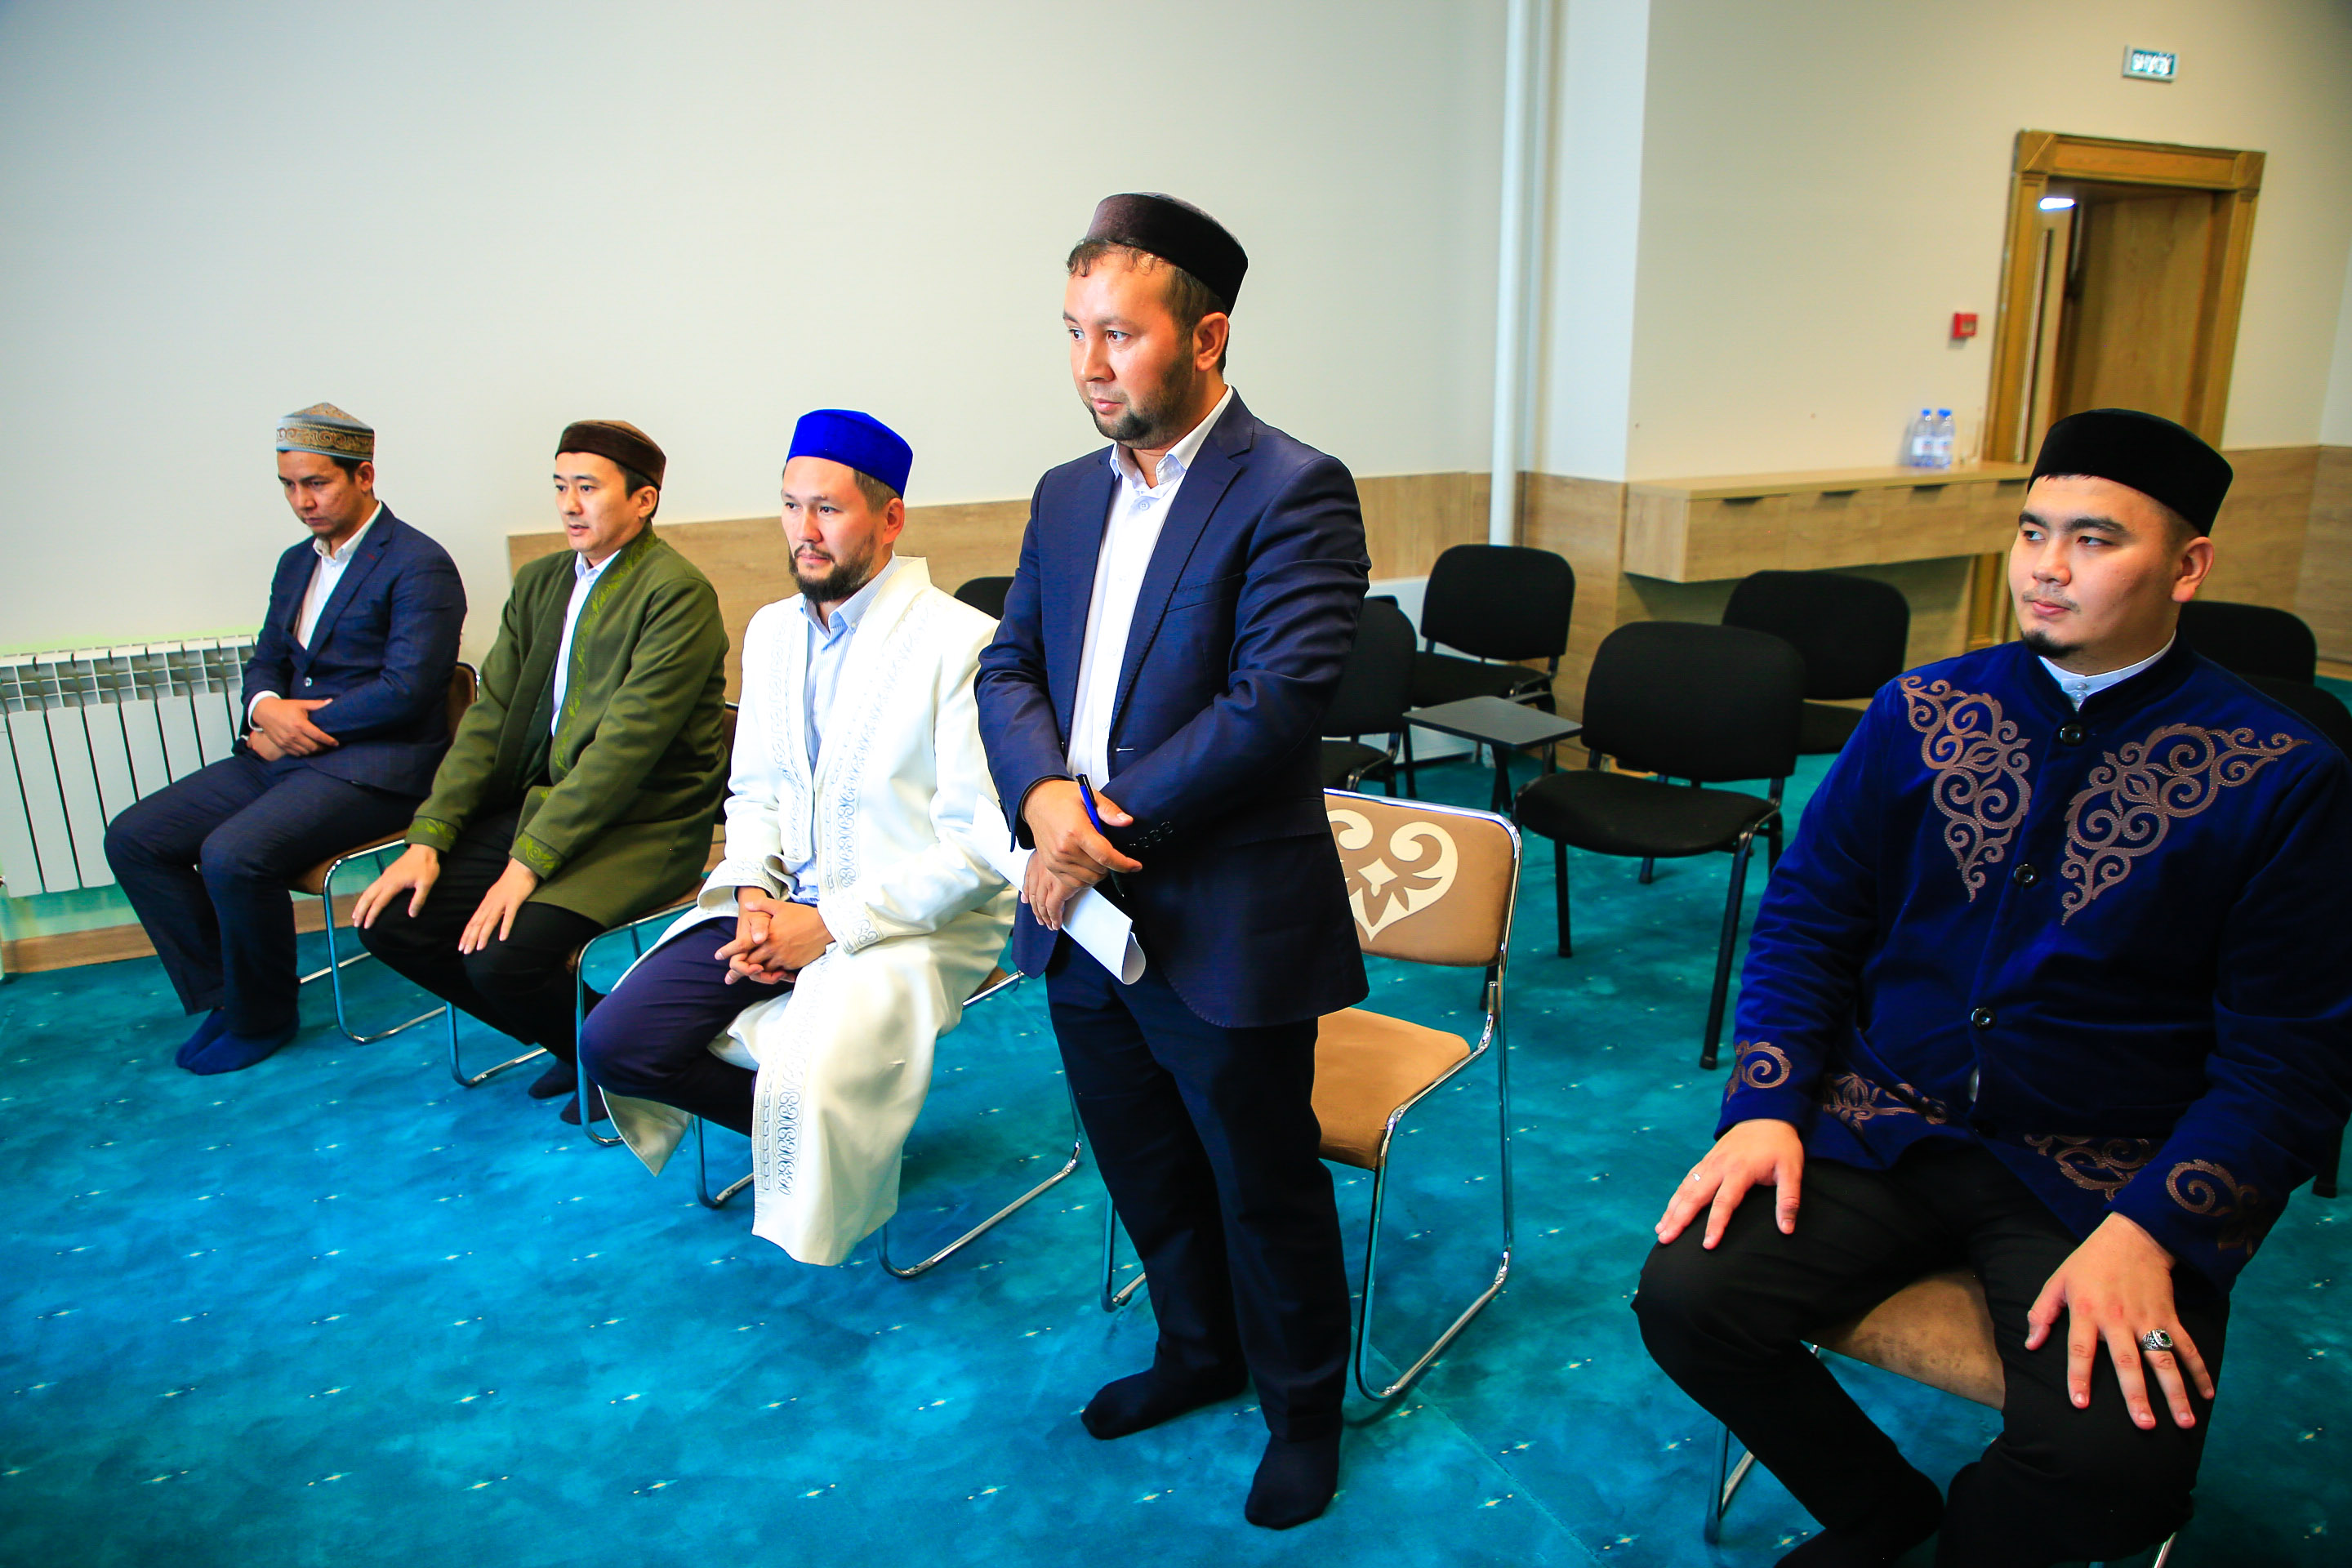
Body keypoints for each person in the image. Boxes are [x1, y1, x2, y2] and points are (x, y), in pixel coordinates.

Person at [1634, 408, 2352, 1567]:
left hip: (2105, 1169)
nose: (2046, 568)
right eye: (2032, 532)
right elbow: (1810, 923)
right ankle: (1881, 1510)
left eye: (2094, 539)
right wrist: (1765, 1105)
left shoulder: (2283, 774)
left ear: (2188, 566)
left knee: (2119, 1467)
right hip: (1884, 1118)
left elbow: (2290, 1056)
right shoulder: (1922, 712)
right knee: (1687, 1301)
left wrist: (2156, 1228)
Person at [975, 194, 1370, 1530]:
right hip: (1080, 916)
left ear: (1206, 338)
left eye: (1120, 335)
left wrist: (1092, 830)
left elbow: (1273, 706)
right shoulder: (1063, 495)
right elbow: (1008, 666)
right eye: (1072, 332)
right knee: (1141, 1159)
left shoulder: (1294, 488)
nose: (1089, 365)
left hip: (1221, 917)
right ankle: (1199, 1351)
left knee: (1262, 1182)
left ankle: (1304, 1411)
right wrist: (1044, 800)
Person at [577, 409, 1013, 1263]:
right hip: (778, 904)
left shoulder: (961, 643)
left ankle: (829, 1138)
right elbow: (755, 792)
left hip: (914, 920)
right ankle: (835, 1143)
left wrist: (828, 925)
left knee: (809, 1071)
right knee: (615, 1043)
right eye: (789, 505)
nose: (803, 532)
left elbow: (976, 850)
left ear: (890, 518)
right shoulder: (773, 631)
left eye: (828, 509)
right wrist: (752, 897)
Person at [352, 421, 728, 1125]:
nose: (569, 505)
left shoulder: (677, 593)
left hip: (644, 825)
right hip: (547, 810)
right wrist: (429, 836)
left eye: (588, 488)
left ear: (643, 500)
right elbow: (489, 716)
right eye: (560, 487)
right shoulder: (541, 583)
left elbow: (623, 752)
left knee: (501, 959)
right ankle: (585, 1043)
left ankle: (619, 1063)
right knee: (396, 923)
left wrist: (525, 865)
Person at [105, 403, 465, 1075]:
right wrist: (265, 708)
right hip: (284, 754)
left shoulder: (420, 563)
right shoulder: (296, 563)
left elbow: (409, 689)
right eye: (290, 486)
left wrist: (297, 726)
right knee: (134, 838)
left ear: (364, 476)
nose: (303, 501)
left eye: (317, 483)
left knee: (233, 855)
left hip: (377, 768)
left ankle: (262, 1017)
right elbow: (267, 657)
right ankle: (227, 994)